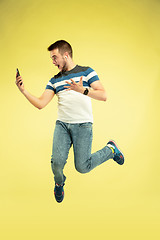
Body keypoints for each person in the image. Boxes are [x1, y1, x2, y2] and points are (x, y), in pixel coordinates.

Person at [15, 40, 124, 203]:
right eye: (51, 59)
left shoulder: (87, 72)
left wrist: (83, 90)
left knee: (82, 167)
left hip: (83, 126)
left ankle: (111, 149)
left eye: (54, 57)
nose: (53, 62)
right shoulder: (54, 80)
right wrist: (23, 91)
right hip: (63, 126)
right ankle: (59, 183)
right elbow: (40, 104)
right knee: (57, 164)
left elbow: (104, 95)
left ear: (66, 55)